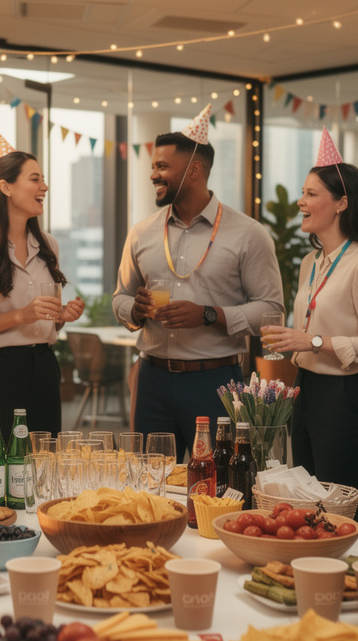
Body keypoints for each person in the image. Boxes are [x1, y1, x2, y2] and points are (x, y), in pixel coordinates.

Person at [112, 106, 283, 459]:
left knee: (220, 485)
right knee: (150, 483)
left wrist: (208, 315)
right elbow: (120, 299)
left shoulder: (248, 234)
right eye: (152, 167)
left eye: (162, 167)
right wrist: (135, 309)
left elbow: (272, 312)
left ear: (194, 170)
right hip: (152, 377)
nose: (153, 175)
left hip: (215, 382)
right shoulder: (142, 231)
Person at [259, 132, 358, 517]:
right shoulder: (310, 262)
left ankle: (338, 576)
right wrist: (294, 343)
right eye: (302, 192)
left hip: (345, 398)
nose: (301, 202)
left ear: (342, 203)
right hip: (307, 391)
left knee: (336, 511)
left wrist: (313, 341)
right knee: (305, 505)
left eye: (311, 193)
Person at [0, 143, 85, 438]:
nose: (44, 187)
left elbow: (46, 318)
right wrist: (19, 316)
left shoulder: (49, 245)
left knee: (42, 466)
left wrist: (61, 315)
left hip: (44, 368)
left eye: (43, 179)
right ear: (5, 187)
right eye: (34, 179)